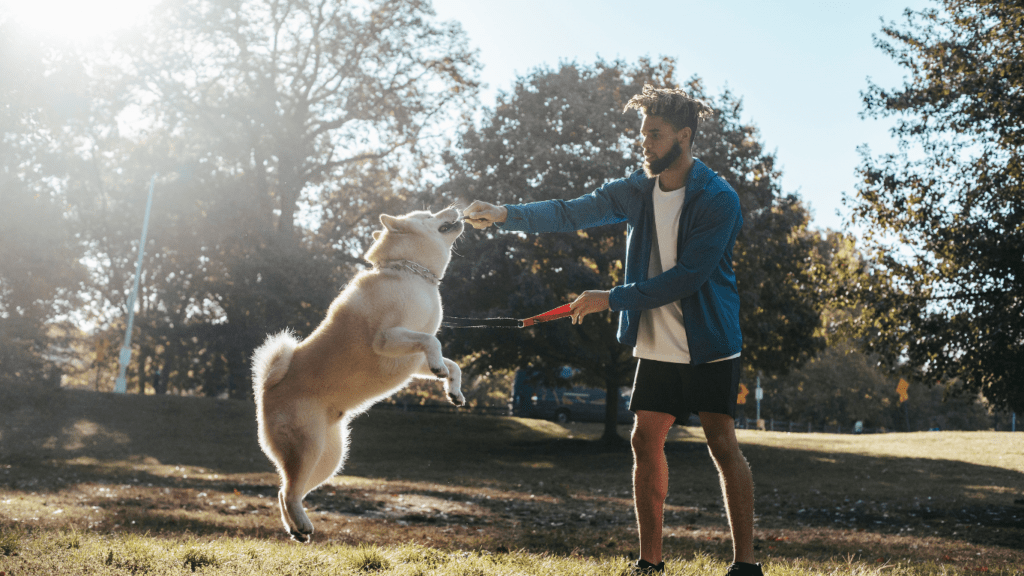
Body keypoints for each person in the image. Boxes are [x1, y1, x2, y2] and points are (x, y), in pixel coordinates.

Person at [463, 84, 764, 576]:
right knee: (645, 441)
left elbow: (689, 276)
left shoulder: (718, 199)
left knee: (722, 444)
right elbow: (570, 210)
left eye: (655, 134)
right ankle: (649, 563)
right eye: (642, 133)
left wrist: (610, 298)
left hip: (710, 344)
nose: (644, 143)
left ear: (684, 137)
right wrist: (504, 215)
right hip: (657, 345)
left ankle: (745, 565)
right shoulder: (637, 191)